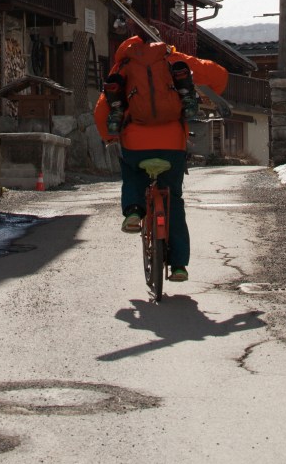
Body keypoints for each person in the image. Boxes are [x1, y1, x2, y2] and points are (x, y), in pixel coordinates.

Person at [94, 35, 228, 283]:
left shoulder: (123, 66)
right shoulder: (171, 58)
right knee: (173, 200)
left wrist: (109, 137)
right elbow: (219, 76)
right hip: (172, 143)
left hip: (135, 143)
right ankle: (179, 266)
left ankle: (134, 211)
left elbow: (102, 109)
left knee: (132, 172)